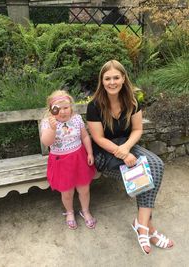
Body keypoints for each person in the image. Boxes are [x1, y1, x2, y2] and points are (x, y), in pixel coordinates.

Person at [86, 60, 174, 254]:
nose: (112, 82)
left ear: (123, 78)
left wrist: (125, 148)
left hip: (127, 145)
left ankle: (141, 225)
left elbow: (137, 129)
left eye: (116, 77)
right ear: (102, 81)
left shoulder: (132, 101)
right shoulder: (94, 106)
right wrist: (121, 153)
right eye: (107, 78)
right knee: (143, 176)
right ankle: (148, 229)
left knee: (157, 164)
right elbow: (98, 138)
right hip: (105, 153)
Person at [40, 90, 96, 230]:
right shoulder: (48, 123)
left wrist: (89, 153)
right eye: (58, 109)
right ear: (51, 110)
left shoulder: (76, 119)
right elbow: (46, 142)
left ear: (71, 107)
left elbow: (85, 137)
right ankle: (69, 212)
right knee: (67, 191)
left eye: (66, 107)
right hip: (61, 162)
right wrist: (52, 129)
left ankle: (86, 211)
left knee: (84, 189)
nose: (63, 112)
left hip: (79, 158)